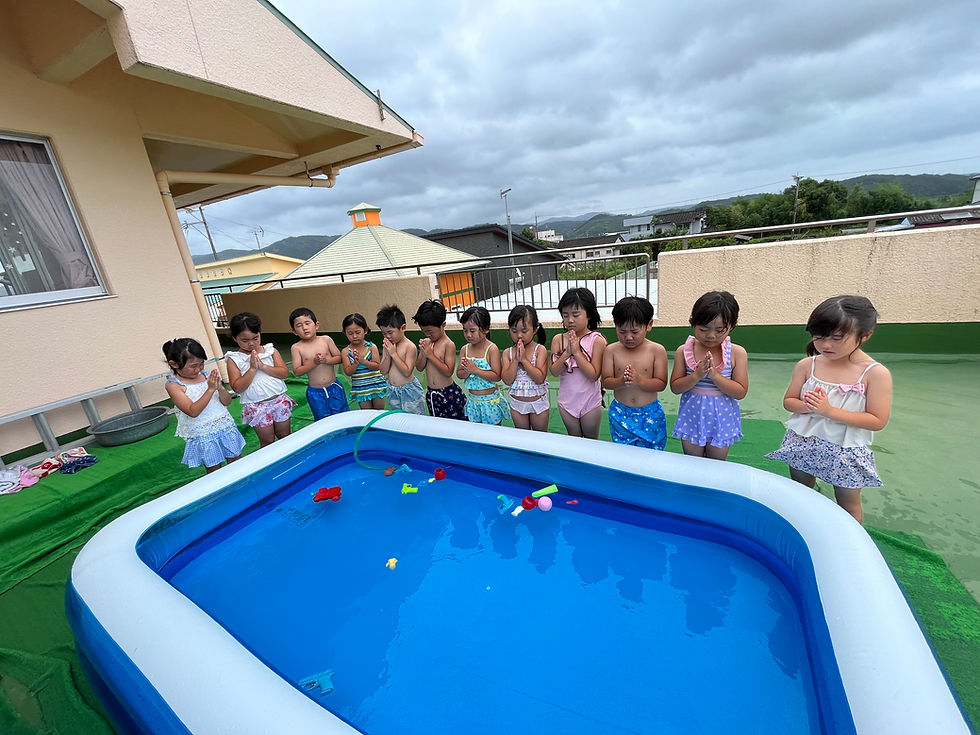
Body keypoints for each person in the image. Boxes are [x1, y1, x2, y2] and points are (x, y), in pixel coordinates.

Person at [765, 295, 892, 523]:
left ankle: (850, 546)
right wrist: (808, 406)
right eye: (818, 336)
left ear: (865, 335)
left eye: (837, 338)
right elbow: (789, 401)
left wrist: (829, 411)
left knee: (848, 504)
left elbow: (877, 420)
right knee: (801, 489)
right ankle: (803, 525)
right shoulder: (808, 365)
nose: (825, 345)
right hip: (804, 440)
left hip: (845, 449)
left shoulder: (875, 373)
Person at [669, 291, 749, 459]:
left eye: (720, 330)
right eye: (703, 329)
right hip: (692, 416)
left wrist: (714, 376)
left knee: (717, 463)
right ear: (693, 323)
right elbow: (675, 387)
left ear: (731, 326)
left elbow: (740, 392)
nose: (711, 335)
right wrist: (697, 375)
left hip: (722, 419)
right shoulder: (683, 351)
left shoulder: (736, 353)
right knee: (692, 462)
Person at [163, 337, 245, 473]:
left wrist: (220, 388)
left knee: (237, 462)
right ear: (174, 364)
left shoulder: (207, 376)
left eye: (201, 364)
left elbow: (227, 402)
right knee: (214, 470)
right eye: (193, 366)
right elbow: (192, 411)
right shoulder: (174, 385)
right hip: (204, 433)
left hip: (224, 426)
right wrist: (210, 389)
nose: (199, 369)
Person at [600, 296, 669, 449]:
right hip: (620, 412)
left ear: (649, 325)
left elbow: (661, 383)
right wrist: (621, 381)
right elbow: (606, 381)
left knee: (653, 452)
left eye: (634, 331)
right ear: (615, 325)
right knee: (623, 453)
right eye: (622, 331)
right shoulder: (611, 350)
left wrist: (640, 381)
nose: (628, 337)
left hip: (650, 413)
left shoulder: (656, 350)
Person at [226, 311, 296, 448]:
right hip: (256, 406)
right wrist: (252, 369)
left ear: (260, 333)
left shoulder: (270, 350)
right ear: (235, 338)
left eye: (255, 338)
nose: (251, 344)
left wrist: (263, 366)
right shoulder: (234, 359)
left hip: (279, 401)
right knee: (267, 441)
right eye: (245, 340)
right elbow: (237, 387)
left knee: (285, 435)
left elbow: (284, 373)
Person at [549, 287, 607, 438]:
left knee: (591, 440)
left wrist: (576, 351)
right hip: (566, 402)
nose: (570, 320)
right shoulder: (559, 339)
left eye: (576, 314)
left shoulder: (597, 340)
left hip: (590, 402)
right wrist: (567, 352)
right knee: (573, 439)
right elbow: (554, 372)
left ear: (589, 315)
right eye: (565, 315)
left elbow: (593, 375)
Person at [289, 307, 348, 420]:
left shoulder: (326, 340)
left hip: (334, 387)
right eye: (299, 326)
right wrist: (314, 363)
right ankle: (328, 438)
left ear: (316, 325)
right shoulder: (296, 348)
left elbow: (339, 358)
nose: (304, 328)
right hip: (315, 392)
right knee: (322, 420)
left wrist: (327, 360)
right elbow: (297, 371)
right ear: (294, 331)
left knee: (342, 416)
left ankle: (346, 436)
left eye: (307, 323)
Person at [413, 300, 466, 419]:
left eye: (430, 331)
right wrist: (423, 353)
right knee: (438, 423)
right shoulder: (427, 343)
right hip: (432, 394)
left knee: (456, 422)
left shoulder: (448, 344)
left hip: (448, 393)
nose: (427, 335)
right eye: (424, 331)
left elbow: (448, 372)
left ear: (443, 325)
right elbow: (419, 368)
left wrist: (431, 355)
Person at [500, 304, 550, 431]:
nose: (519, 336)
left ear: (535, 329)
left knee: (541, 437)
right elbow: (507, 380)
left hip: (538, 403)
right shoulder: (508, 353)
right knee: (523, 438)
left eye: (524, 331)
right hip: (517, 404)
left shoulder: (540, 350)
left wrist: (524, 360)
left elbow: (540, 378)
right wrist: (516, 360)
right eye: (514, 330)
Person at [456, 305, 506, 425]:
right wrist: (467, 371)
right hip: (473, 400)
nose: (468, 334)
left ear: (485, 329)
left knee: (494, 433)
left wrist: (475, 370)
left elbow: (497, 375)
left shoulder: (491, 349)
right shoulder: (465, 349)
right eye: (465, 330)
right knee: (476, 433)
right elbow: (459, 374)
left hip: (490, 401)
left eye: (472, 331)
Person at [376, 304, 426, 415]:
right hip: (393, 390)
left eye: (390, 332)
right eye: (384, 333)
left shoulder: (410, 347)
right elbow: (383, 371)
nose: (387, 336)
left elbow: (407, 372)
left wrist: (393, 354)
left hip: (409, 390)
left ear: (403, 328)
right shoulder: (387, 346)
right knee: (398, 417)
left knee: (415, 417)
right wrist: (388, 354)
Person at [341, 313, 387, 410]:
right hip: (361, 388)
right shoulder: (346, 351)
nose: (354, 336)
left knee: (379, 412)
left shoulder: (371, 347)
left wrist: (363, 361)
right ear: (345, 333)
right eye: (350, 333)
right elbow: (348, 372)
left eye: (357, 332)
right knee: (366, 414)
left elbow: (377, 366)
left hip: (376, 385)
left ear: (365, 330)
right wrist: (355, 364)